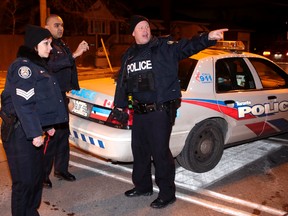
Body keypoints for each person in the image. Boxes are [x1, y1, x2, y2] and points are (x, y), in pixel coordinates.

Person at [113, 15, 228, 209]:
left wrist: (207, 37)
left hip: (160, 111)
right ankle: (142, 187)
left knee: (160, 153)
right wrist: (119, 105)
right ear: (133, 33)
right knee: (139, 151)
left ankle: (167, 194)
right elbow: (123, 82)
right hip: (139, 112)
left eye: (147, 26)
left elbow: (188, 46)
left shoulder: (165, 47)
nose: (145, 30)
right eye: (140, 28)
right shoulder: (129, 55)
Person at [0, 24, 68, 216]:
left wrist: (48, 125)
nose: (50, 47)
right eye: (46, 43)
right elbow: (24, 103)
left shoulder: (37, 66)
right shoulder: (23, 67)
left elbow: (41, 101)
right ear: (34, 46)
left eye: (50, 43)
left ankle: (31, 212)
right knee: (25, 181)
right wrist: (35, 132)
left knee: (36, 178)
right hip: (20, 133)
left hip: (31, 130)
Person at [42, 14, 89, 188]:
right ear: (47, 27)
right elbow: (52, 65)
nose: (60, 28)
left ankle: (61, 169)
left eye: (61, 25)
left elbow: (67, 65)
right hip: (51, 97)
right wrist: (76, 53)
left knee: (63, 134)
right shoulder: (46, 45)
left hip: (61, 95)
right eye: (56, 25)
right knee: (51, 136)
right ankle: (42, 175)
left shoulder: (61, 44)